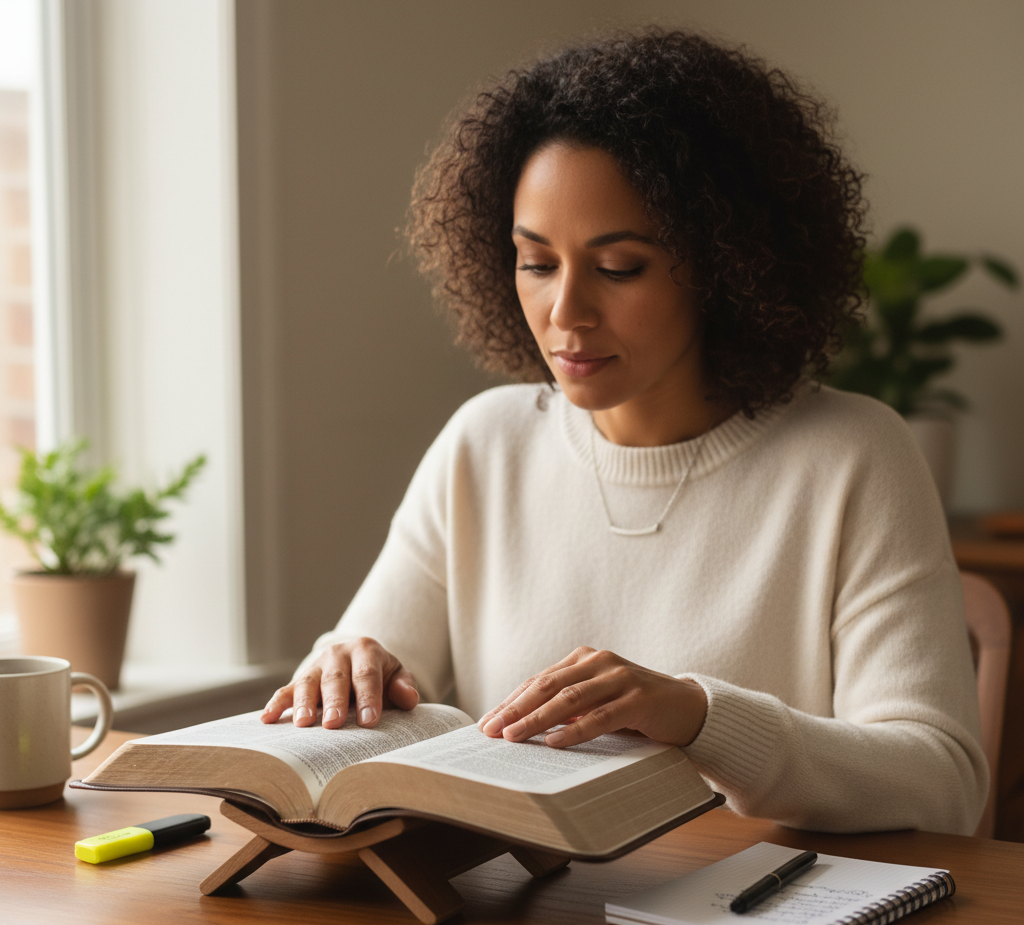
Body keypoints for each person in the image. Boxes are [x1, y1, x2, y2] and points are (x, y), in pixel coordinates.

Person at [261, 30, 987, 835]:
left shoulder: (853, 456)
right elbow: (372, 671)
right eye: (537, 262)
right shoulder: (484, 444)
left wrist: (699, 716)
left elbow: (941, 782)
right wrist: (343, 665)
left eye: (618, 269)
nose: (566, 313)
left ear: (725, 265)